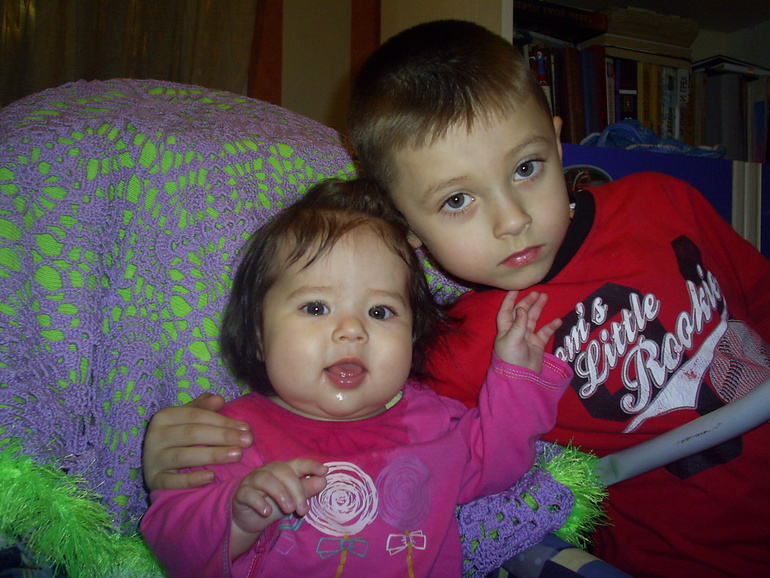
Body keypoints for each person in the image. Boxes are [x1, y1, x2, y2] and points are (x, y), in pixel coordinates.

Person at [142, 20, 770, 577]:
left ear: (557, 145)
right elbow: (430, 441)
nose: (512, 220)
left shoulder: (662, 202)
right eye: (457, 200)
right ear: (407, 228)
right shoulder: (457, 351)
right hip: (689, 557)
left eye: (526, 168)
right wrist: (172, 446)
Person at [140, 177, 571, 577]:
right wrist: (236, 516)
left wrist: (516, 373)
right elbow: (171, 544)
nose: (352, 330)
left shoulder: (434, 421)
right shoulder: (230, 436)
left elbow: (499, 460)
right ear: (257, 336)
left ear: (412, 337)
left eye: (380, 312)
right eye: (315, 308)